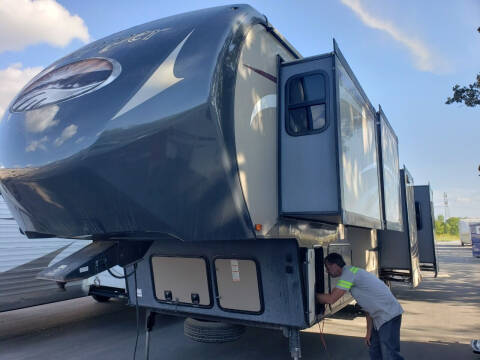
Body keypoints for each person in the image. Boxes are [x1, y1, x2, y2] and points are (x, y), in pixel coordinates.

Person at [316, 253, 404, 360]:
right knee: (374, 350)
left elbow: (331, 299)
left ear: (334, 265)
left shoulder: (348, 274)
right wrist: (369, 332)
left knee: (390, 354)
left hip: (388, 315)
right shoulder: (351, 272)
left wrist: (310, 296)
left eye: (327, 267)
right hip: (380, 317)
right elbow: (367, 309)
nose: (327, 271)